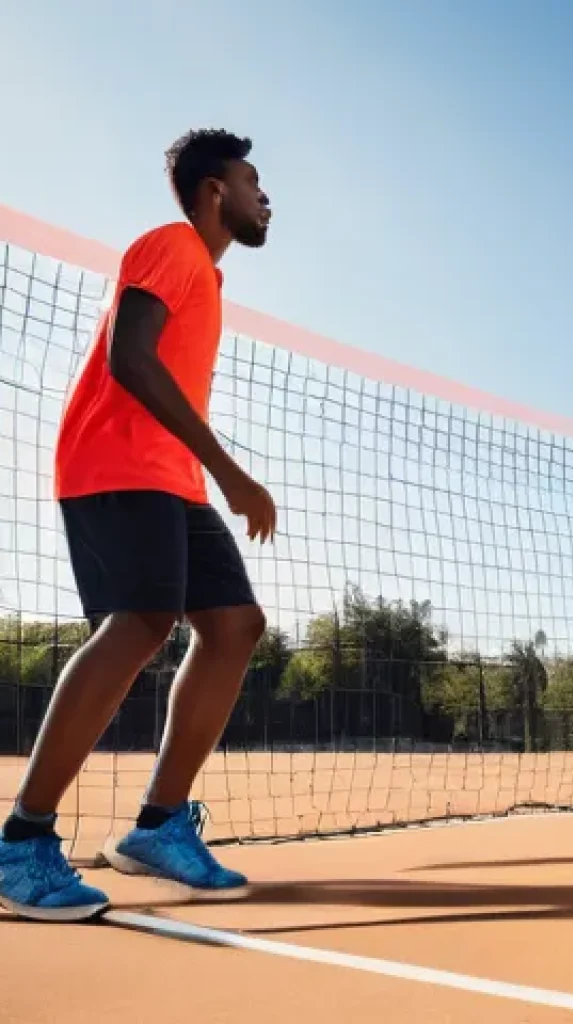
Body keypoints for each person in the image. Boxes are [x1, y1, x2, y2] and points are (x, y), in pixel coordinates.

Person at [0, 129, 277, 921]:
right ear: (215, 191)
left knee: (233, 626)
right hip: (115, 462)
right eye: (253, 181)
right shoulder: (174, 244)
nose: (266, 197)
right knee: (144, 620)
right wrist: (231, 473)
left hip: (172, 479)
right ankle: (22, 840)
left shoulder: (209, 280)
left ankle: (158, 825)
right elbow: (130, 357)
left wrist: (206, 475)